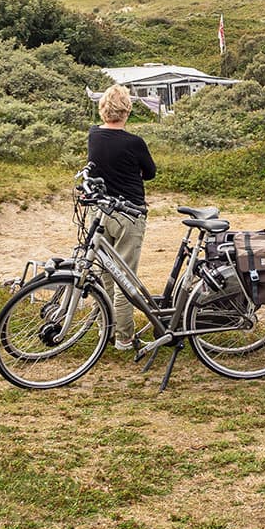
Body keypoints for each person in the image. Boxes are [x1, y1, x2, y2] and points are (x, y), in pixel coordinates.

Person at [88, 85, 157, 351]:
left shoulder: (93, 135)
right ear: (127, 110)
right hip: (130, 215)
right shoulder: (134, 142)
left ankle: (105, 330)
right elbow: (149, 172)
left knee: (104, 276)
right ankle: (124, 338)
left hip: (101, 212)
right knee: (125, 281)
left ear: (103, 108)